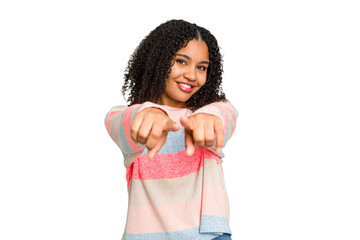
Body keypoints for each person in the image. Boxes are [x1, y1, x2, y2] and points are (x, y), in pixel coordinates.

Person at [105, 19, 238, 240]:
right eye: (181, 62)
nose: (192, 75)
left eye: (201, 67)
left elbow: (225, 116)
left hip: (209, 235)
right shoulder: (123, 115)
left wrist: (208, 117)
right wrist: (147, 114)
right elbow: (124, 123)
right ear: (157, 61)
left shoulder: (213, 112)